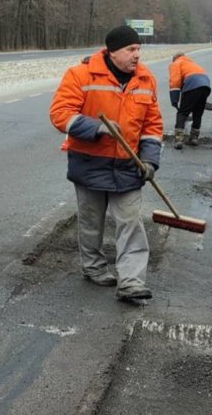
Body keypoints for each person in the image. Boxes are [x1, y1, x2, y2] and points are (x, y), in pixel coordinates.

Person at [50, 24, 163, 302]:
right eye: (130, 49)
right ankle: (94, 267)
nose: (137, 55)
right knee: (91, 223)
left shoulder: (146, 79)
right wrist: (94, 127)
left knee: (131, 222)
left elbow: (152, 125)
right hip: (90, 163)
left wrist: (149, 160)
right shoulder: (81, 74)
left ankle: (131, 282)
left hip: (128, 166)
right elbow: (60, 113)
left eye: (139, 49)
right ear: (112, 52)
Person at [169, 53, 211, 149]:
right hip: (205, 85)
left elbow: (175, 82)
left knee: (182, 113)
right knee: (197, 113)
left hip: (192, 84)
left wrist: (174, 100)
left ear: (174, 59)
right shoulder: (191, 63)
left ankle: (179, 140)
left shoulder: (176, 63)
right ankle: (194, 138)